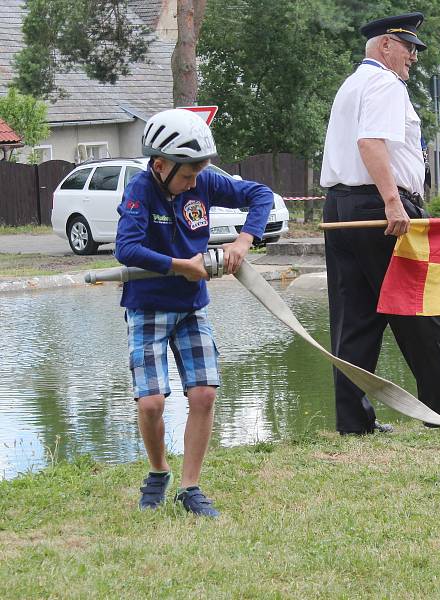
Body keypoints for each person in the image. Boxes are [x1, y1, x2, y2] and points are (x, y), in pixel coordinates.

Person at [319, 12, 440, 435]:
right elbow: (370, 143)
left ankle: (354, 420)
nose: (413, 57)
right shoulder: (383, 82)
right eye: (409, 47)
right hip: (381, 209)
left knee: (356, 317)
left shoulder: (353, 83)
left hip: (343, 205)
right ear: (385, 46)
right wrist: (393, 202)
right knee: (426, 305)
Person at [115, 108, 273, 516]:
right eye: (186, 176)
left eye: (198, 175)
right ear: (160, 165)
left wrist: (244, 241)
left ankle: (190, 487)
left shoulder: (202, 180)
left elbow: (260, 195)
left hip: (191, 309)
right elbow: (126, 249)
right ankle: (157, 472)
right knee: (151, 403)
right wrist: (181, 265)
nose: (193, 183)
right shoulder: (139, 191)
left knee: (203, 394)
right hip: (147, 306)